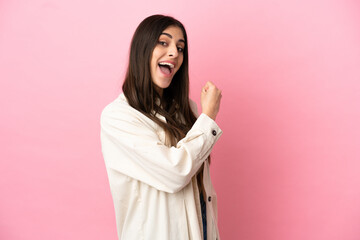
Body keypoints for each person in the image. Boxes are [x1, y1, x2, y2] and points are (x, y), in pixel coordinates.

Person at [100, 14, 222, 240]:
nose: (175, 53)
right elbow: (175, 173)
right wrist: (208, 119)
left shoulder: (188, 110)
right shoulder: (118, 117)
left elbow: (202, 192)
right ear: (142, 50)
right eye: (163, 43)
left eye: (181, 47)